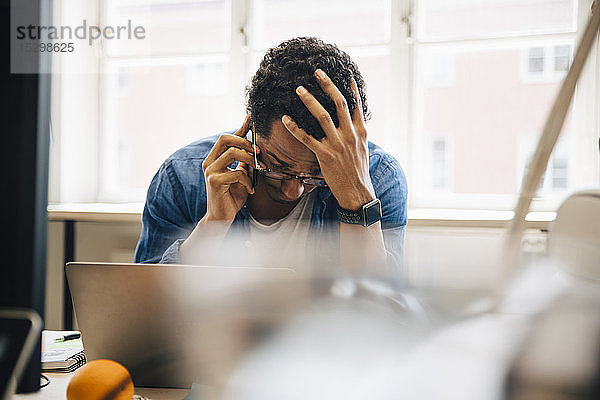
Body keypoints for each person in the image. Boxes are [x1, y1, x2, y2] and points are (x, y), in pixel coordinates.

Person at [134, 37, 407, 277]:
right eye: (279, 167)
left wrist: (357, 200)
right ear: (252, 129)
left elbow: (382, 315)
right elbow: (142, 314)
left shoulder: (381, 179)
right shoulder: (181, 178)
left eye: (316, 173)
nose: (293, 189)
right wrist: (213, 224)